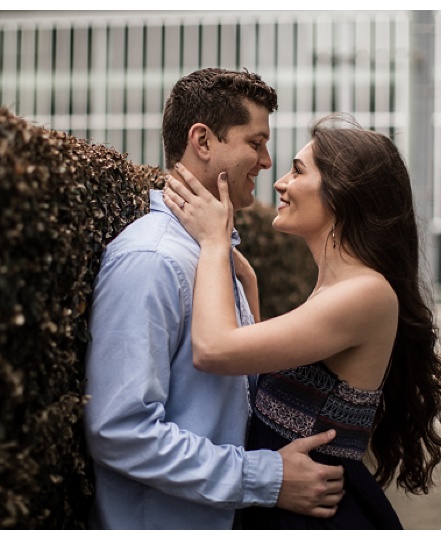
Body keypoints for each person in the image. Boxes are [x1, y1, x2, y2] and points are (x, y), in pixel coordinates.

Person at [162, 113, 441, 529]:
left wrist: (215, 241)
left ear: (341, 195)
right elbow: (265, 364)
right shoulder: (335, 290)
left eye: (297, 171)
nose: (280, 183)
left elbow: (214, 350)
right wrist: (241, 277)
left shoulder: (365, 293)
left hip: (320, 515)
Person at [83, 69, 346, 530]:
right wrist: (266, 477)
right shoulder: (154, 259)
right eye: (256, 142)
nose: (267, 162)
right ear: (202, 141)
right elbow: (120, 433)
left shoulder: (212, 252)